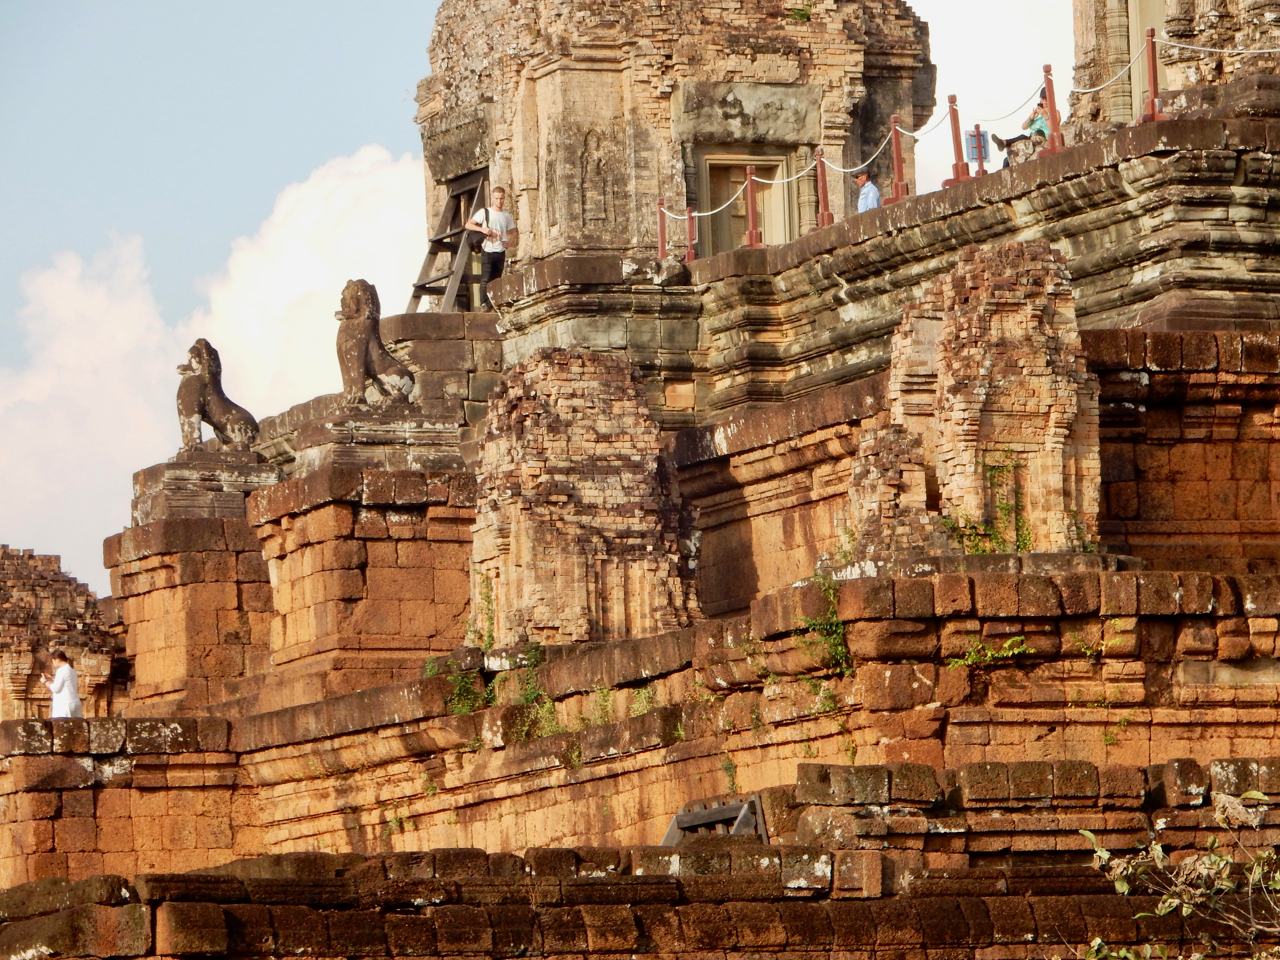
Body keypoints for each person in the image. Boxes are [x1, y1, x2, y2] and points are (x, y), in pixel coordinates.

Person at [464, 186, 518, 310]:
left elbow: (513, 232)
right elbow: (468, 224)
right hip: (487, 249)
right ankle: (484, 304)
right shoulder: (485, 212)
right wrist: (482, 229)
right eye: (497, 198)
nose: (499, 201)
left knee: (497, 279)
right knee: (485, 279)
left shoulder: (506, 215)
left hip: (500, 251)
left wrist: (509, 243)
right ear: (493, 198)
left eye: (501, 199)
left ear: (504, 199)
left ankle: (494, 304)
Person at [992, 90, 1051, 158]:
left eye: (1045, 99)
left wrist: (1045, 115)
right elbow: (1024, 127)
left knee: (1022, 137)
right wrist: (1031, 118)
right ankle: (1003, 143)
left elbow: (1054, 129)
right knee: (1007, 160)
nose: (1044, 101)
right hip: (1029, 138)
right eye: (1042, 99)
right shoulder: (1037, 114)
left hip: (1041, 138)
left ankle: (1004, 142)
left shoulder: (1054, 112)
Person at [41, 650, 83, 719]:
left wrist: (45, 681)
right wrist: (52, 679)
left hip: (64, 705)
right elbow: (67, 682)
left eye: (53, 661)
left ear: (57, 659)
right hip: (74, 702)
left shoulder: (61, 670)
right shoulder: (71, 669)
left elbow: (56, 689)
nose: (53, 663)